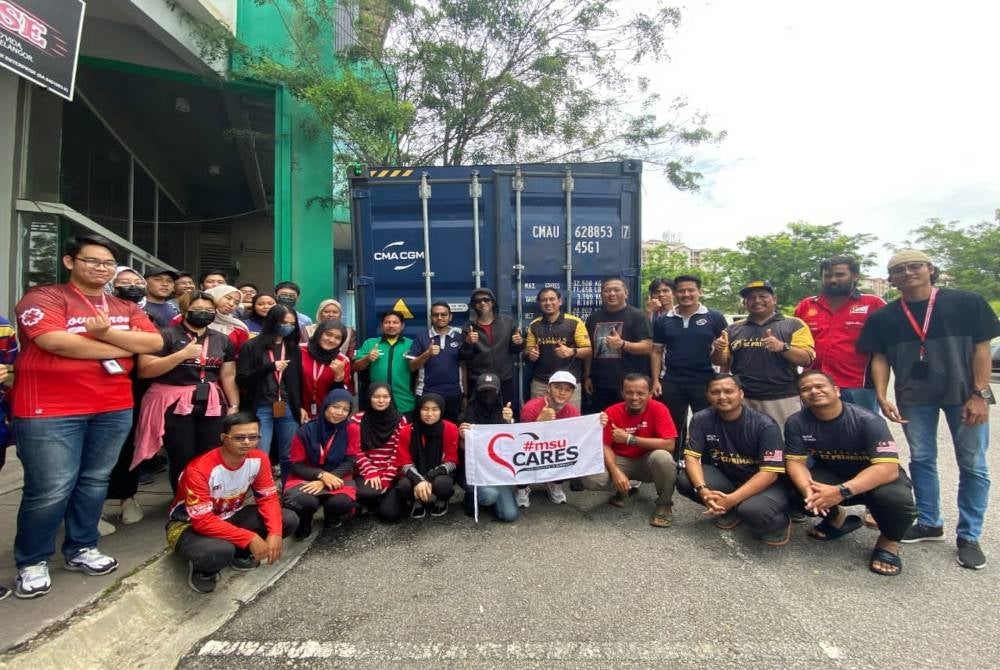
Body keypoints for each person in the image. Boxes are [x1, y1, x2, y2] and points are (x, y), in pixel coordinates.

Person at [11, 234, 162, 599]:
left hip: (112, 405)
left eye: (108, 264)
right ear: (69, 262)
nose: (101, 269)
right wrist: (121, 344)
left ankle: (81, 547)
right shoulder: (45, 298)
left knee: (95, 480)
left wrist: (107, 333)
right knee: (50, 488)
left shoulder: (123, 307)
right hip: (49, 409)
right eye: (92, 261)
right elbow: (54, 341)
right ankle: (32, 560)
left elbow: (155, 344)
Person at [857, 249, 998, 570]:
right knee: (921, 459)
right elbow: (878, 358)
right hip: (914, 397)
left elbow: (982, 349)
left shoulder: (966, 302)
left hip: (964, 395)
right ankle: (930, 522)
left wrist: (980, 394)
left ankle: (970, 535)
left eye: (915, 266)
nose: (908, 273)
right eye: (899, 270)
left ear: (930, 269)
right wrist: (881, 396)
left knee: (973, 463)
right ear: (891, 279)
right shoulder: (885, 317)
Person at [785, 370, 918, 576]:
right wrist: (808, 489)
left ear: (836, 391)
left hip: (875, 479)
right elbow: (795, 461)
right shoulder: (796, 422)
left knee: (896, 499)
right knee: (793, 488)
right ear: (801, 397)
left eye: (820, 386)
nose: (813, 391)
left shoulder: (868, 421)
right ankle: (835, 517)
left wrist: (841, 491)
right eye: (806, 389)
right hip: (833, 474)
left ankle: (888, 542)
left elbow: (887, 469)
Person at [166, 412, 299, 593]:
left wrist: (275, 532)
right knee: (220, 551)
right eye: (239, 437)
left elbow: (267, 498)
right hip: (187, 525)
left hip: (230, 515)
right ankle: (204, 570)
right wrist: (249, 537)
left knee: (288, 520)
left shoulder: (259, 459)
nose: (247, 442)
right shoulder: (198, 470)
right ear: (224, 438)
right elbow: (202, 521)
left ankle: (241, 554)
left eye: (253, 437)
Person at [134, 291, 240, 492]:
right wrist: (182, 355)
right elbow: (145, 369)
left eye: (209, 310)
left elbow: (228, 375)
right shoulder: (165, 335)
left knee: (211, 453)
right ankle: (182, 501)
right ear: (185, 310)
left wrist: (234, 405)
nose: (204, 313)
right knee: (182, 454)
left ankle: (206, 499)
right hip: (174, 402)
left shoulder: (221, 339)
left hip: (211, 403)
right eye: (198, 309)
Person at [676, 374, 791, 546]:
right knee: (685, 480)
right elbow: (692, 456)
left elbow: (770, 473)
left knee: (753, 511)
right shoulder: (701, 419)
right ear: (708, 395)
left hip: (765, 484)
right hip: (729, 479)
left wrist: (732, 499)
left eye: (728, 391)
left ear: (741, 394)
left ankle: (780, 523)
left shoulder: (764, 425)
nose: (722, 397)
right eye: (715, 392)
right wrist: (703, 490)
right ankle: (730, 509)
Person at [712, 280, 815, 431]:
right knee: (746, 442)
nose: (757, 300)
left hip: (782, 397)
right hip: (744, 398)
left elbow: (807, 359)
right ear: (745, 303)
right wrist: (718, 350)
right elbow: (721, 362)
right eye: (751, 298)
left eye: (763, 296)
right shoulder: (733, 329)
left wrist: (783, 347)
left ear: (774, 299)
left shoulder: (794, 324)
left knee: (783, 443)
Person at [581, 373, 677, 527]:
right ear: (622, 393)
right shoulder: (611, 411)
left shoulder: (659, 409)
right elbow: (605, 445)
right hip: (621, 461)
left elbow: (669, 444)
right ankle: (625, 489)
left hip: (647, 461)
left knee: (664, 458)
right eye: (629, 392)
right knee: (591, 479)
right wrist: (615, 471)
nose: (634, 397)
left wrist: (629, 439)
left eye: (640, 393)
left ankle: (664, 504)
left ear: (650, 394)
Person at [794, 256, 886, 413]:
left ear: (855, 276)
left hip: (858, 385)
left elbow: (884, 350)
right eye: (827, 276)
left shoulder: (873, 304)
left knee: (862, 431)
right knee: (818, 431)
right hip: (816, 384)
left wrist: (882, 393)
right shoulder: (806, 306)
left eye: (840, 274)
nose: (833, 280)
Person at [651, 274, 728, 452]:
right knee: (673, 428)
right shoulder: (664, 320)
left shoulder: (714, 317)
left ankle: (708, 464)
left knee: (707, 425)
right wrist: (655, 381)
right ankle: (674, 467)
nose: (686, 294)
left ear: (699, 292)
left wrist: (720, 349)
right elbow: (656, 351)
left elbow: (722, 358)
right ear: (676, 293)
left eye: (691, 290)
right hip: (671, 381)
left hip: (705, 380)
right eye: (681, 291)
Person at [237, 304, 306, 483]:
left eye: (292, 323)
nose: (288, 326)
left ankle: (289, 489)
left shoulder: (293, 348)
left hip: (288, 407)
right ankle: (262, 490)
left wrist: (301, 406)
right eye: (284, 322)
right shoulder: (251, 346)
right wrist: (269, 368)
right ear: (273, 321)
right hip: (261, 407)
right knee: (260, 453)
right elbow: (242, 379)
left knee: (289, 454)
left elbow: (298, 382)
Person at [283, 389, 357, 538]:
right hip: (305, 476)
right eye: (335, 407)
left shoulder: (352, 429)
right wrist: (321, 475)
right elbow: (296, 464)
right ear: (326, 405)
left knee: (342, 503)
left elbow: (350, 461)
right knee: (305, 501)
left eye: (345, 409)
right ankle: (305, 519)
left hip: (338, 475)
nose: (339, 412)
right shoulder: (305, 431)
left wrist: (326, 480)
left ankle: (331, 516)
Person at [584, 278, 653, 413]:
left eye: (616, 290)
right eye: (607, 291)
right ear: (601, 294)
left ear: (626, 293)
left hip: (629, 386)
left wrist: (622, 344)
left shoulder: (638, 316)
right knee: (602, 422)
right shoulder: (593, 318)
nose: (611, 294)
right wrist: (587, 376)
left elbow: (648, 347)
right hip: (600, 383)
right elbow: (589, 350)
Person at [516, 371, 582, 507]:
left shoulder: (573, 412)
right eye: (557, 387)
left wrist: (599, 423)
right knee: (521, 455)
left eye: (568, 390)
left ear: (572, 393)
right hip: (532, 451)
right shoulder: (531, 407)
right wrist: (539, 422)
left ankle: (555, 483)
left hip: (554, 451)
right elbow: (521, 442)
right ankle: (522, 487)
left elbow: (576, 440)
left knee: (569, 452)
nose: (562, 393)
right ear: (548, 388)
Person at [458, 372, 518, 522]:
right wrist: (462, 436)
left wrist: (510, 422)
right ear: (477, 392)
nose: (488, 395)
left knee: (509, 515)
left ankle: (493, 499)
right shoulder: (466, 415)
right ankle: (473, 497)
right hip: (475, 472)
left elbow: (513, 444)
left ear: (498, 392)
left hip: (498, 472)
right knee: (490, 495)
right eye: (484, 391)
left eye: (492, 391)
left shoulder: (504, 413)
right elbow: (460, 450)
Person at [347, 383, 410, 521]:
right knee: (366, 493)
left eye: (385, 397)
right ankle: (376, 499)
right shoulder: (358, 419)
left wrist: (387, 478)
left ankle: (386, 498)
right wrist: (370, 471)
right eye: (376, 397)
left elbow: (398, 452)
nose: (381, 401)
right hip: (368, 472)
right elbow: (355, 450)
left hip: (392, 473)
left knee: (390, 515)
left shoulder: (400, 420)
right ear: (369, 398)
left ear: (391, 398)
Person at [392, 393, 459, 518]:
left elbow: (452, 461)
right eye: (425, 409)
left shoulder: (450, 428)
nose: (429, 414)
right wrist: (418, 480)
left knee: (443, 484)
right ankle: (415, 501)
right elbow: (404, 462)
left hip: (438, 473)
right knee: (403, 485)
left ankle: (442, 499)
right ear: (418, 410)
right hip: (414, 473)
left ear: (441, 411)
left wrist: (427, 478)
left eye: (435, 409)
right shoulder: (407, 430)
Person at [524, 288, 591, 410]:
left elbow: (588, 350)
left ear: (560, 301)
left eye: (552, 299)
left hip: (569, 383)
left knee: (570, 423)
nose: (548, 303)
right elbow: (528, 351)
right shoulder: (534, 325)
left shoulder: (574, 322)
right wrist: (531, 354)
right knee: (538, 422)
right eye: (544, 300)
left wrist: (572, 351)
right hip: (541, 383)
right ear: (539, 303)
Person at [460, 287, 524, 410]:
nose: (482, 303)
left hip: (504, 378)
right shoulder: (468, 327)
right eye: (478, 301)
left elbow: (515, 350)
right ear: (474, 305)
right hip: (478, 379)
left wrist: (519, 343)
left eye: (486, 299)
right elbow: (464, 356)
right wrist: (468, 343)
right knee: (479, 415)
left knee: (505, 413)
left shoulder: (508, 322)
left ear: (493, 302)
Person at [408, 301, 466, 422]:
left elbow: (464, 367)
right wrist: (427, 354)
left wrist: (465, 394)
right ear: (431, 317)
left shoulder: (459, 337)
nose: (439, 317)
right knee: (427, 432)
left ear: (450, 317)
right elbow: (412, 367)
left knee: (451, 431)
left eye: (443, 314)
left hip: (454, 394)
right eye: (435, 314)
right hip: (427, 393)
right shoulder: (421, 337)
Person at [354, 310, 416, 414]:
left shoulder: (411, 344)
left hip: (404, 401)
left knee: (405, 430)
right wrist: (367, 358)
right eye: (387, 322)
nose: (391, 325)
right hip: (377, 402)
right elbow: (355, 367)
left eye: (395, 322)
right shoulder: (370, 343)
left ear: (402, 326)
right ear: (382, 326)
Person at [300, 320, 351, 420]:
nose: (331, 340)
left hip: (325, 416)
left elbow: (340, 396)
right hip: (298, 412)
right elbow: (287, 384)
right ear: (319, 333)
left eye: (338, 338)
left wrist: (339, 377)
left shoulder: (342, 361)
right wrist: (297, 407)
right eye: (328, 334)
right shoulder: (300, 351)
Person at [205, 284, 251, 354]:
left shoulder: (239, 328)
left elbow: (243, 356)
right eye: (228, 298)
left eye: (236, 303)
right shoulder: (193, 320)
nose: (231, 304)